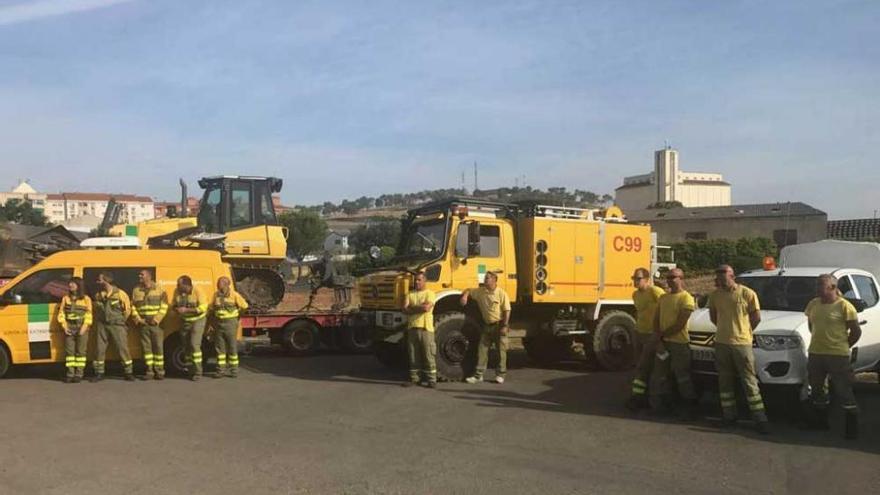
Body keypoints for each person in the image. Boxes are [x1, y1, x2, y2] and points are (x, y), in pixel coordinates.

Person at [709, 265, 769, 434]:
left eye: (724, 277)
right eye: (718, 278)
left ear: (732, 276)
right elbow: (714, 317)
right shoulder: (715, 295)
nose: (721, 281)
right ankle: (729, 416)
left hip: (742, 343)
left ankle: (760, 419)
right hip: (721, 343)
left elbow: (756, 317)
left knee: (749, 381)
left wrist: (744, 332)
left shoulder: (747, 294)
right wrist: (723, 329)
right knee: (724, 381)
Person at [803, 274, 862, 439]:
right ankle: (821, 422)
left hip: (837, 356)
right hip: (816, 353)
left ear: (832, 288)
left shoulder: (844, 306)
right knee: (817, 388)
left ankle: (852, 427)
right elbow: (811, 326)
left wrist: (844, 345)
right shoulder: (813, 304)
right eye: (817, 286)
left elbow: (856, 331)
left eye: (820, 286)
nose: (817, 289)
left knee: (843, 390)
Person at [650, 268, 698, 417]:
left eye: (673, 277)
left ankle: (688, 406)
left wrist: (661, 336)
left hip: (679, 343)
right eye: (668, 277)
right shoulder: (663, 298)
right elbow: (656, 320)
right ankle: (661, 405)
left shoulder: (686, 298)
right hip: (663, 343)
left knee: (682, 375)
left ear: (681, 279)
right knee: (660, 375)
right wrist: (659, 338)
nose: (670, 280)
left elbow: (680, 323)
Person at [626, 267, 665, 411]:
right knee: (640, 367)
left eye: (638, 278)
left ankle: (654, 401)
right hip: (639, 333)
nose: (635, 281)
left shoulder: (655, 291)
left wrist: (659, 332)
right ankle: (638, 397)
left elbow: (665, 307)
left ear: (647, 280)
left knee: (653, 367)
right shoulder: (635, 295)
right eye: (634, 278)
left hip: (652, 334)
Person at [461, 271, 511, 384]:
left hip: (499, 325)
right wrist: (465, 296)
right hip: (487, 326)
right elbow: (469, 290)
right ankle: (478, 375)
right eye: (485, 278)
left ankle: (500, 375)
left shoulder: (501, 293)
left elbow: (507, 311)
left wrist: (505, 325)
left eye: (488, 278)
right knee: (482, 350)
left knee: (501, 351)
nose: (485, 280)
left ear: (494, 280)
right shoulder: (481, 292)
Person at [92, 271, 134, 382]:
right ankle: (99, 373)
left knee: (122, 348)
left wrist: (120, 320)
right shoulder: (99, 295)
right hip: (102, 325)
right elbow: (96, 309)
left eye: (100, 278)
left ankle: (128, 372)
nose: (98, 281)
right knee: (100, 349)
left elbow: (127, 310)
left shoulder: (120, 294)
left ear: (106, 280)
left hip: (117, 325)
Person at [131, 270, 168, 380]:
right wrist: (138, 319)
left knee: (158, 348)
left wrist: (157, 319)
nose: (139, 276)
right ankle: (149, 371)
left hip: (156, 325)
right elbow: (132, 306)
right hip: (143, 324)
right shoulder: (136, 290)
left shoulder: (159, 289)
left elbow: (164, 305)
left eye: (142, 274)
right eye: (139, 274)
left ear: (149, 276)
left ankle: (160, 371)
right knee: (146, 350)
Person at [401, 272, 437, 388]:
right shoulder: (410, 294)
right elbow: (404, 309)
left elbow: (426, 308)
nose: (416, 282)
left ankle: (432, 380)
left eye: (419, 280)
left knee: (428, 354)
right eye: (415, 280)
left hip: (426, 328)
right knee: (413, 355)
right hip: (412, 328)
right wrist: (419, 307)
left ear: (424, 281)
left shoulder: (430, 293)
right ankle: (415, 378)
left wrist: (412, 308)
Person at [210, 276, 248, 378]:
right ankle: (220, 370)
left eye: (220, 283)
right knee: (219, 348)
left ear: (227, 284)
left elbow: (244, 306)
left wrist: (237, 316)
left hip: (230, 323)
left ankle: (234, 370)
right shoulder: (216, 295)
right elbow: (212, 308)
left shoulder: (234, 295)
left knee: (232, 347)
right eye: (218, 283)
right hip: (218, 323)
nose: (218, 285)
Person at [173, 276, 208, 381]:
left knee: (194, 344)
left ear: (187, 285)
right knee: (186, 346)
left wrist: (186, 310)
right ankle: (190, 370)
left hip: (197, 320)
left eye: (179, 284)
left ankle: (198, 372)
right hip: (185, 321)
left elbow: (203, 308)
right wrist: (176, 309)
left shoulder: (198, 291)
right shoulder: (177, 292)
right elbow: (174, 304)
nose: (177, 286)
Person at [57, 277, 91, 383]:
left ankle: (79, 374)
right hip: (70, 327)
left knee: (80, 352)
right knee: (69, 352)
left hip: (82, 328)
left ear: (79, 286)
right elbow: (61, 313)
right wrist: (65, 327)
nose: (70, 285)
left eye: (73, 283)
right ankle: (70, 374)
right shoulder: (65, 298)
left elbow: (89, 315)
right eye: (70, 283)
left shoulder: (86, 299)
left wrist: (83, 328)